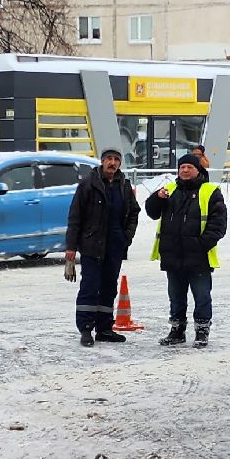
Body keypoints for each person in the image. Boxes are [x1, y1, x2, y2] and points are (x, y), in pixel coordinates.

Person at [144, 153, 226, 347]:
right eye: (182, 167)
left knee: (202, 297)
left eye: (190, 167)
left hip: (199, 257)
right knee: (176, 297)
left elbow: (218, 225)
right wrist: (156, 198)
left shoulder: (210, 191)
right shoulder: (169, 190)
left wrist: (200, 244)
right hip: (173, 255)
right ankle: (177, 331)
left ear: (198, 170)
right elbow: (152, 212)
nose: (185, 170)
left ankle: (202, 331)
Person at [63, 148, 140, 346]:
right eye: (109, 159)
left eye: (116, 160)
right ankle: (86, 329)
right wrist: (71, 246)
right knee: (90, 287)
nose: (112, 163)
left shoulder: (124, 186)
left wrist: (126, 237)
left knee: (109, 288)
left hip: (114, 246)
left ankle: (104, 329)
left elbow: (134, 212)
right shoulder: (88, 184)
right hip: (92, 245)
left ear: (120, 163)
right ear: (102, 161)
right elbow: (75, 217)